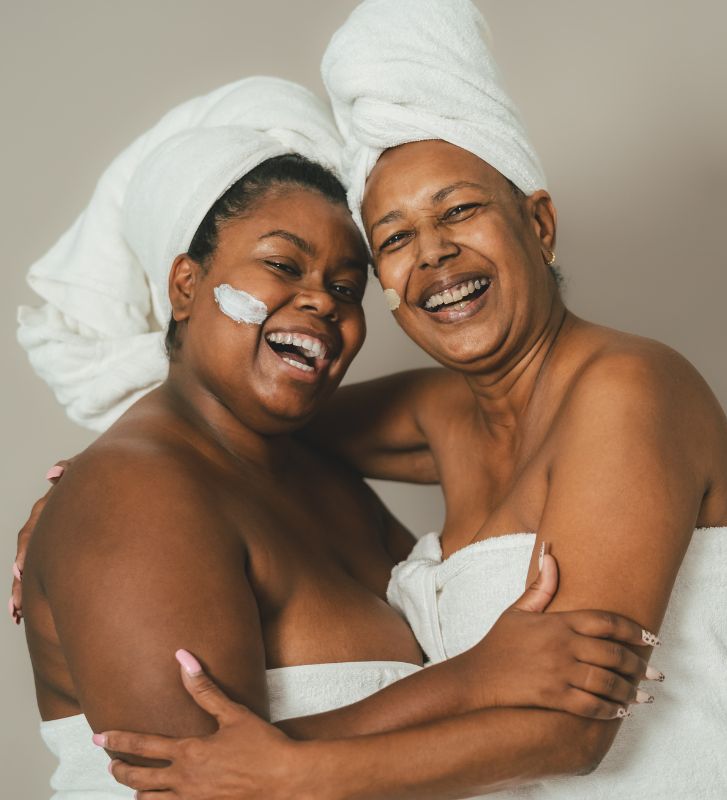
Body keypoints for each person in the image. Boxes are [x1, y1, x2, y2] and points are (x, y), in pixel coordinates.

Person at [80, 1, 727, 798]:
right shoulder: (445, 417)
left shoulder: (628, 387)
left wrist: (290, 771)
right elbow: (246, 419)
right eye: (392, 239)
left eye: (459, 210)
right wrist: (109, 473)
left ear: (540, 223)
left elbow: (575, 726)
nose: (432, 253)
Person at [14, 76, 655, 800]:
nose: (322, 298)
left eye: (348, 286)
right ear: (186, 287)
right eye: (284, 266)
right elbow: (191, 785)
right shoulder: (135, 493)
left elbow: (529, 399)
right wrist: (473, 680)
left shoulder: (310, 471)